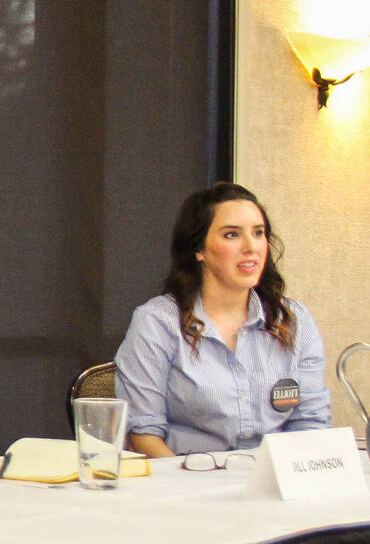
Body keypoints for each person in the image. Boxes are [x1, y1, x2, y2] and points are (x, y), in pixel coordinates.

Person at [113, 182, 330, 459]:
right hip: (186, 485)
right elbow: (143, 436)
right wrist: (193, 495)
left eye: (258, 233)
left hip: (272, 487)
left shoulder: (294, 320)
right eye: (231, 235)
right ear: (199, 249)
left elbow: (310, 423)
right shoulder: (157, 322)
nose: (251, 247)